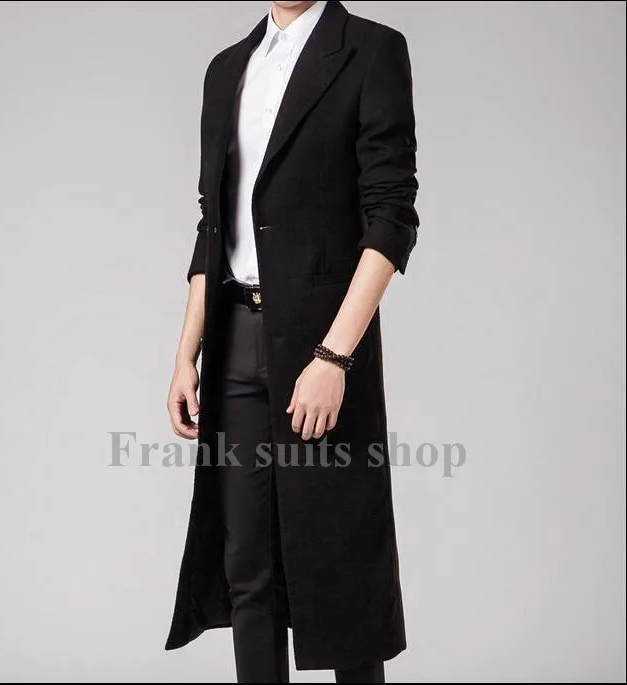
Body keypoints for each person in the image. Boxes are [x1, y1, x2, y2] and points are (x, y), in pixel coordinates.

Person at [165, 1, 419, 682]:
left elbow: (391, 216)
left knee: (342, 567)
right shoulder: (226, 69)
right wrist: (187, 353)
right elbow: (212, 222)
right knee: (247, 568)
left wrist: (335, 356)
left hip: (325, 345)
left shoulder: (370, 50)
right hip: (234, 340)